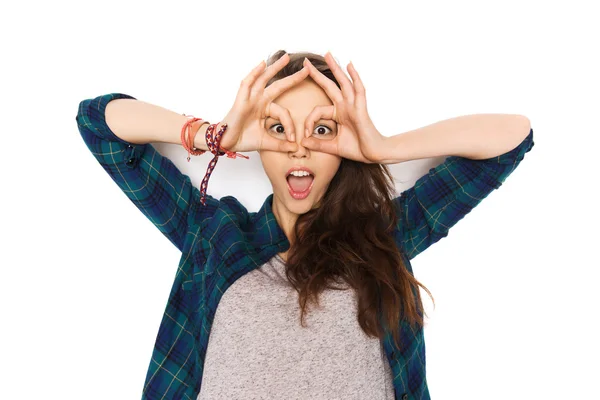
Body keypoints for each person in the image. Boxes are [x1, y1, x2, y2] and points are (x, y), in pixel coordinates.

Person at [75, 50, 534, 400]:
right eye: (279, 129)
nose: (298, 148)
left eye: (321, 130)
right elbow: (98, 123)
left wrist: (382, 146)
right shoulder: (215, 233)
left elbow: (512, 138)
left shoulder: (385, 235)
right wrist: (217, 135)